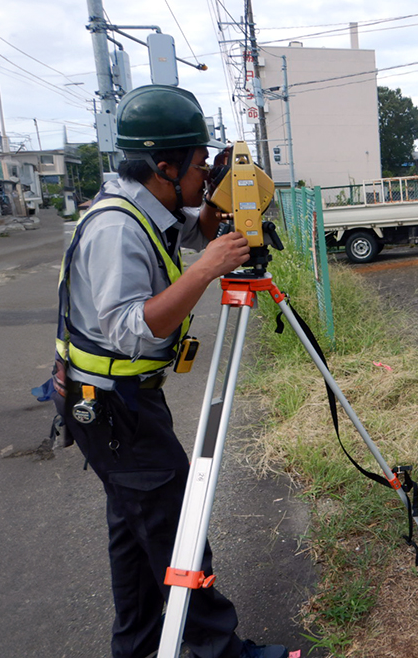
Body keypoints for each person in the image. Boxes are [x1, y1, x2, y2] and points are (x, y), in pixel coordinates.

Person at [52, 84, 288, 658]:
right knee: (174, 532)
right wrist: (206, 272)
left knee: (135, 536)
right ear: (164, 165)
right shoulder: (117, 227)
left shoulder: (147, 205)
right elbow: (131, 327)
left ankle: (135, 645)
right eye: (200, 163)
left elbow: (200, 228)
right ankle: (219, 648)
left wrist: (225, 188)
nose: (206, 173)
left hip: (121, 399)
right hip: (112, 405)